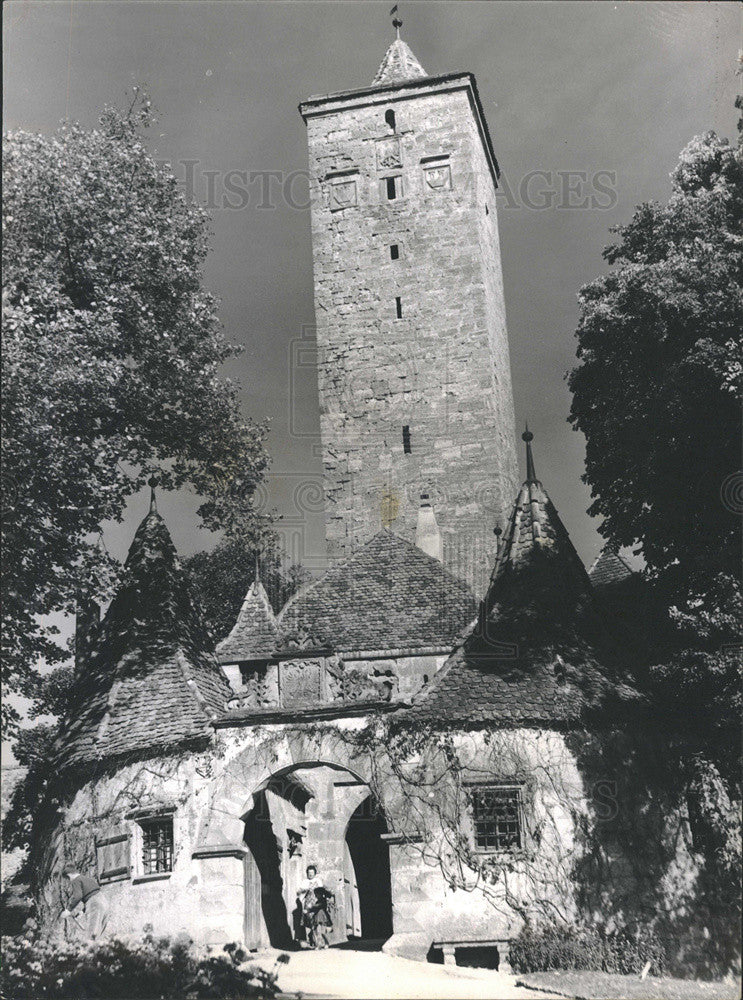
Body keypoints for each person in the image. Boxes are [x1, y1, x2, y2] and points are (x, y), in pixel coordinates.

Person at [61, 869, 109, 940]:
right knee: (100, 934)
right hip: (104, 902)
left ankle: (90, 949)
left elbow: (78, 896)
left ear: (69, 875)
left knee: (91, 935)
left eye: (67, 879)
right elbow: (93, 893)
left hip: (94, 903)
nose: (69, 881)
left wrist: (68, 910)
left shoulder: (76, 880)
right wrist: (83, 911)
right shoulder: (87, 879)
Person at [296, 864, 334, 949]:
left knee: (317, 924)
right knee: (311, 922)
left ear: (315, 873)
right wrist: (303, 891)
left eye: (312, 872)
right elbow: (299, 893)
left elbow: (322, 891)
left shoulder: (318, 881)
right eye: (309, 872)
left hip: (317, 902)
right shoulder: (305, 882)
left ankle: (319, 942)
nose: (310, 874)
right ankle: (313, 941)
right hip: (309, 903)